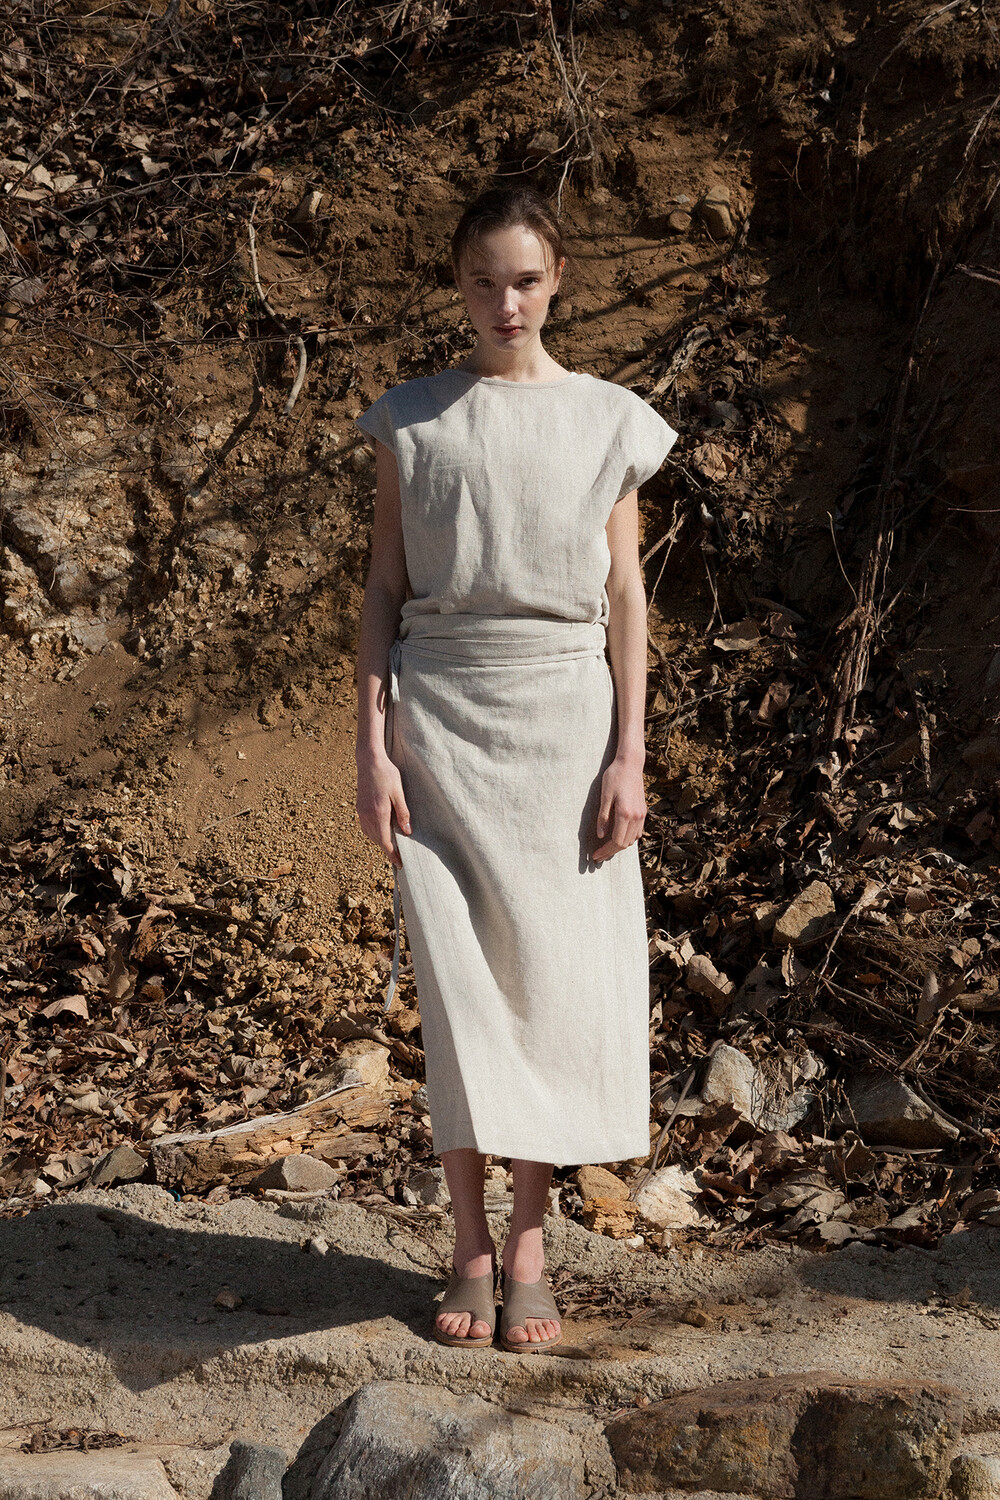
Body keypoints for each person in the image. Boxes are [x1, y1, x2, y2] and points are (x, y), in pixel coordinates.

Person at [353, 184, 678, 1354]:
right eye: (484, 280)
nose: (506, 302)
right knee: (458, 995)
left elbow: (627, 598)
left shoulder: (609, 419)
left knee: (549, 987)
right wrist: (370, 746)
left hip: (566, 728)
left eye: (526, 280)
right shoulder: (414, 420)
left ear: (557, 281)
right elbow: (383, 591)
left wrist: (629, 753)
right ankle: (469, 1247)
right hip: (439, 727)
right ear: (457, 283)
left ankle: (530, 1245)